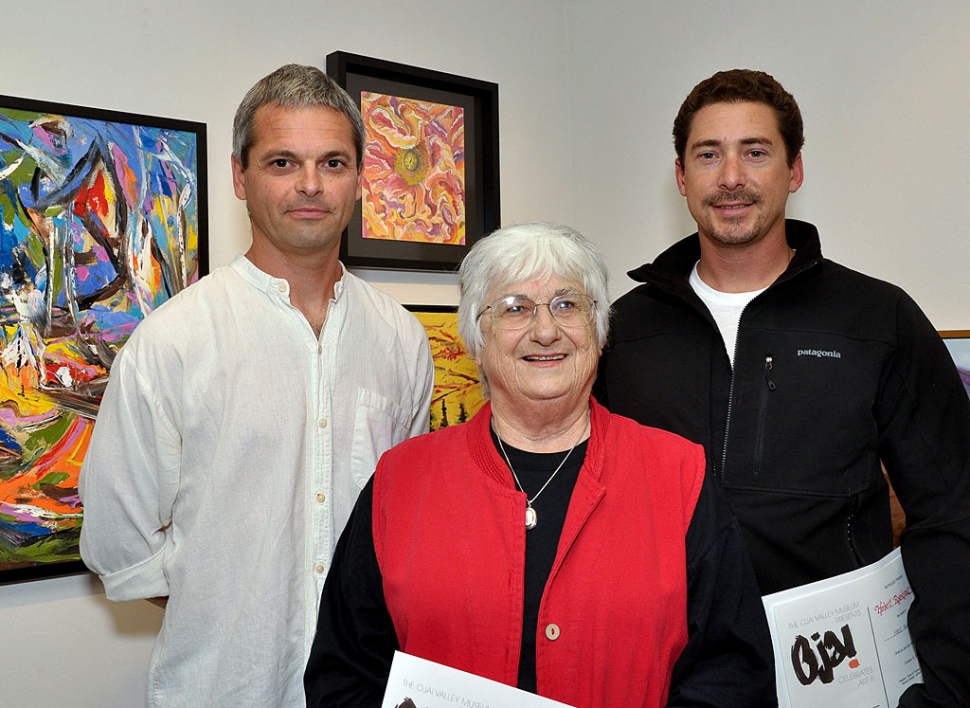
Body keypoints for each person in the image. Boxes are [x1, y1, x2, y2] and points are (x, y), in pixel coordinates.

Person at [596, 69, 970, 707]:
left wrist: (945, 691)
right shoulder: (620, 330)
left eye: (756, 152)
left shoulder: (877, 321)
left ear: (794, 170)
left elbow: (953, 513)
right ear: (682, 178)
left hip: (841, 676)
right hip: (666, 676)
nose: (732, 176)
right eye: (709, 154)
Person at [304, 222, 776, 708]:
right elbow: (344, 676)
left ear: (598, 330)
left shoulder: (679, 475)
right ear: (477, 339)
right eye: (515, 308)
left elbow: (734, 676)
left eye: (568, 304)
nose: (546, 330)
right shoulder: (400, 482)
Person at [79, 64, 434, 708]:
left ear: (360, 179)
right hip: (226, 689)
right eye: (281, 162)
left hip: (365, 692)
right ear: (240, 177)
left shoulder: (401, 340)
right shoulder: (174, 342)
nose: (310, 184)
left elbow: (406, 525)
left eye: (332, 162)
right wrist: (228, 595)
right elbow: (121, 544)